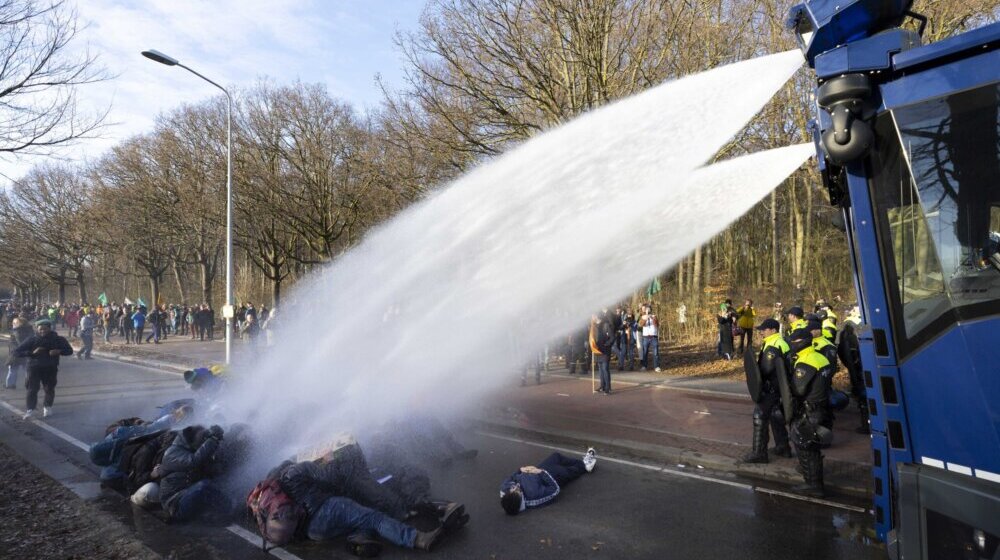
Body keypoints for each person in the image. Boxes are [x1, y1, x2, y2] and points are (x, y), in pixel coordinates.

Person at [786, 326, 833, 498]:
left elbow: (799, 389)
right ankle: (811, 475)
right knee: (812, 445)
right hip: (822, 406)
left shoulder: (806, 361)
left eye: (794, 341)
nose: (791, 344)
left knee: (806, 445)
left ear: (802, 342)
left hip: (810, 409)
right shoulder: (820, 357)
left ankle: (813, 484)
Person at [740, 319, 792, 463]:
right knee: (776, 416)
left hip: (772, 388)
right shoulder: (780, 342)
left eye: (764, 329)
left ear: (773, 330)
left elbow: (766, 369)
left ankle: (759, 453)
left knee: (759, 416)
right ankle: (783, 447)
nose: (761, 332)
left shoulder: (773, 346)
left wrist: (757, 381)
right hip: (780, 388)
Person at [158, 424, 231, 522]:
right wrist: (212, 439)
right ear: (191, 439)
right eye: (202, 438)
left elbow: (211, 470)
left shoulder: (192, 450)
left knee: (215, 483)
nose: (203, 441)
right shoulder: (171, 453)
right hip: (175, 503)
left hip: (187, 495)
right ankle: (230, 509)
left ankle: (225, 507)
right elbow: (193, 461)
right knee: (204, 485)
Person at [499, 448, 597, 515]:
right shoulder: (533, 498)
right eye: (517, 491)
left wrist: (521, 469)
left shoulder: (505, 489)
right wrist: (541, 472)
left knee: (556, 456)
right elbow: (555, 490)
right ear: (521, 500)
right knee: (568, 472)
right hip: (549, 478)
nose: (516, 487)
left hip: (535, 470)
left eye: (513, 489)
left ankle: (582, 463)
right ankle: (585, 465)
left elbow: (511, 477)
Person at [13, 319, 73, 419]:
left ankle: (47, 407)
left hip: (50, 368)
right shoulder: (32, 339)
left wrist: (59, 351)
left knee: (49, 389)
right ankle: (30, 409)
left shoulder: (58, 339)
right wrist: (32, 353)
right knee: (32, 389)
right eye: (40, 329)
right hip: (34, 368)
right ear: (37, 329)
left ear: (50, 328)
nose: (42, 331)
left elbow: (69, 351)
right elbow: (16, 352)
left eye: (45, 329)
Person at [5, 316, 33, 389]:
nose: (12, 324)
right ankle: (29, 383)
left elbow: (16, 343)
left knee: (13, 370)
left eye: (14, 323)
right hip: (26, 353)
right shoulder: (30, 330)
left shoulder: (17, 331)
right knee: (27, 370)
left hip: (16, 354)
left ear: (18, 324)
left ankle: (10, 385)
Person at [592, 312, 614, 394]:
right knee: (600, 369)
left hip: (605, 350)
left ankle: (608, 387)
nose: (592, 317)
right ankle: (602, 386)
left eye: (593, 315)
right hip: (597, 350)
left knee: (605, 368)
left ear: (597, 316)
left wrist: (606, 344)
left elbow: (612, 338)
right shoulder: (593, 326)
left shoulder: (606, 325)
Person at [638, 304, 661, 372]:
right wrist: (646, 317)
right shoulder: (643, 317)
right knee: (645, 352)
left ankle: (656, 366)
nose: (647, 310)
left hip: (653, 336)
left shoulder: (654, 316)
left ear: (650, 309)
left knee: (655, 352)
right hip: (646, 337)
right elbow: (641, 325)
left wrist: (652, 318)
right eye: (646, 309)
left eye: (648, 309)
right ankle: (644, 366)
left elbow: (657, 325)